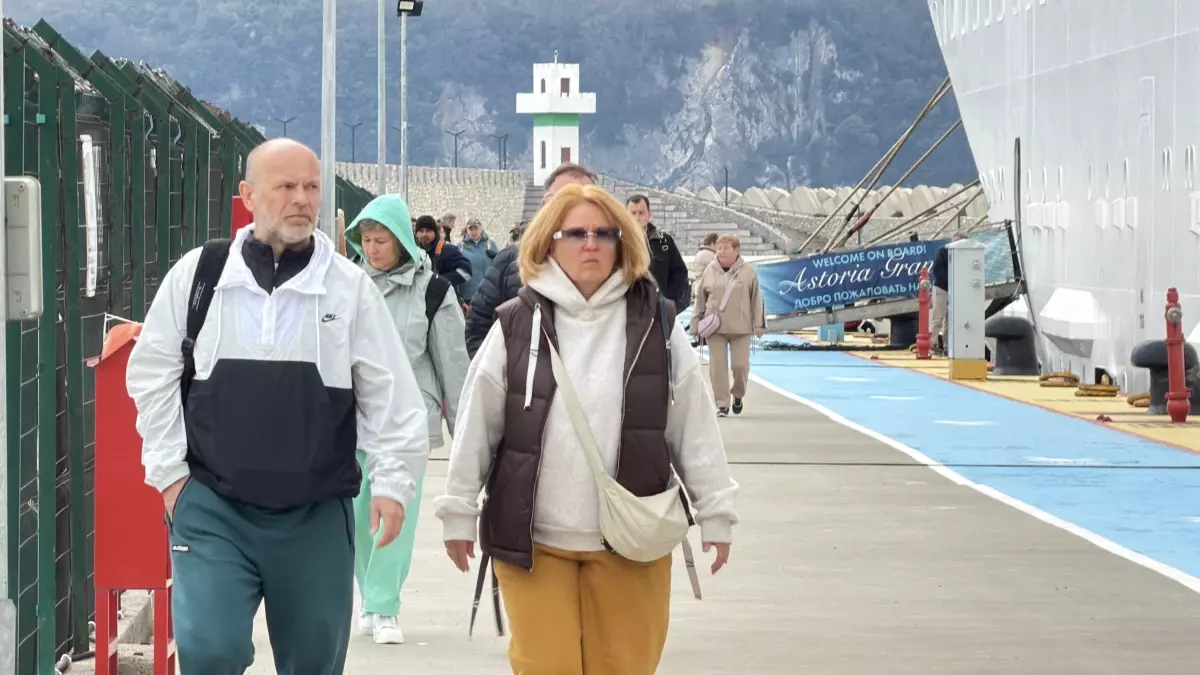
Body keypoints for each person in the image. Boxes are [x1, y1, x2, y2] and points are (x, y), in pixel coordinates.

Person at [126, 138, 430, 674]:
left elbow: (390, 394)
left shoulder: (348, 288)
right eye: (286, 186)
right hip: (214, 508)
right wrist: (171, 477)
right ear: (248, 195)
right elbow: (151, 372)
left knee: (313, 662)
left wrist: (392, 484)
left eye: (311, 187)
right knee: (209, 652)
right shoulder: (201, 276)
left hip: (315, 515)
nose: (302, 199)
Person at [435, 183, 739, 675]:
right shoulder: (514, 324)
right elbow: (478, 423)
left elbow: (693, 424)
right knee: (545, 667)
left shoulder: (658, 324)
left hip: (633, 540)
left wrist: (716, 510)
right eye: (576, 233)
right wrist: (458, 511)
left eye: (604, 233)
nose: (591, 243)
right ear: (549, 242)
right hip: (534, 543)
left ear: (623, 242)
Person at [343, 194, 470, 645]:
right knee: (358, 516)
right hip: (354, 421)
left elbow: (453, 362)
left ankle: (384, 606)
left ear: (400, 241)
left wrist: (465, 434)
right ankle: (369, 596)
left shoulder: (433, 291)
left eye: (381, 240)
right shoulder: (348, 286)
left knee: (397, 511)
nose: (372, 249)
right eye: (366, 240)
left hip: (409, 422)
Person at [464, 162, 597, 357]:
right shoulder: (511, 262)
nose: (571, 209)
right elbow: (478, 326)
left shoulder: (610, 265)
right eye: (563, 199)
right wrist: (504, 371)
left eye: (585, 200)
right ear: (545, 205)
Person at [691, 234, 766, 417]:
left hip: (741, 327)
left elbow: (756, 298)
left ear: (736, 250)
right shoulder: (710, 270)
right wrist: (695, 324)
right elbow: (700, 299)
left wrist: (759, 324)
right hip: (715, 327)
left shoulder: (747, 272)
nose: (721, 251)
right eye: (719, 248)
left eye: (726, 248)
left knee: (740, 366)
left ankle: (738, 394)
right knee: (717, 366)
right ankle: (722, 404)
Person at [626, 194, 691, 311]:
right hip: (628, 311)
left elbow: (680, 274)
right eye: (633, 213)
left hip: (659, 311)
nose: (637, 217)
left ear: (649, 215)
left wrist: (667, 302)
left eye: (641, 213)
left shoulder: (664, 242)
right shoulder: (617, 243)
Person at [415, 214, 473, 302]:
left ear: (435, 232)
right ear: (416, 233)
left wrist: (438, 281)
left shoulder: (446, 249)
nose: (424, 234)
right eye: (421, 231)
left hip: (444, 303)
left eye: (428, 231)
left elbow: (466, 272)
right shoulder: (413, 251)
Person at [930, 233, 966, 355]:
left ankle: (947, 346)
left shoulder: (963, 255)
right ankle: (932, 344)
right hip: (942, 288)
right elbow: (937, 269)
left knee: (950, 320)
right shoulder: (943, 252)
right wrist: (950, 282)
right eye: (954, 241)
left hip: (954, 289)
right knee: (938, 317)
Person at [458, 218, 499, 304]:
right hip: (468, 293)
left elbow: (499, 264)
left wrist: (496, 256)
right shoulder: (461, 247)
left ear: (481, 229)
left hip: (488, 292)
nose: (474, 232)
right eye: (471, 229)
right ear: (467, 230)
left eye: (476, 228)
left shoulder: (490, 244)